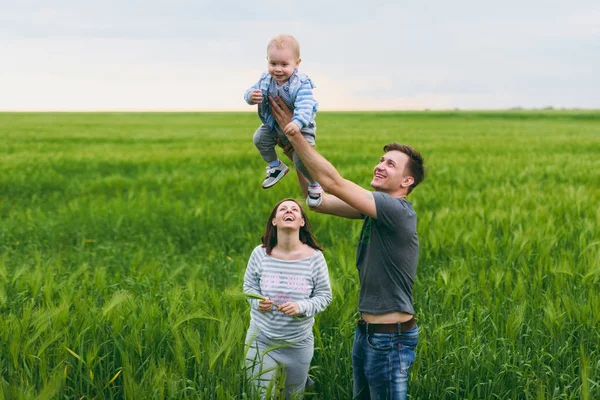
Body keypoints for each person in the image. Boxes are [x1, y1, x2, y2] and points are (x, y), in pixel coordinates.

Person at [269, 97, 426, 399]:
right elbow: (317, 200)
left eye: (390, 164)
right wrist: (294, 156)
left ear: (407, 180)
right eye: (381, 160)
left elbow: (333, 182)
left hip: (391, 340)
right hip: (367, 335)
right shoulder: (374, 210)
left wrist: (295, 134)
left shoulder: (396, 210)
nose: (380, 166)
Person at [244, 198, 332, 398]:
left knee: (293, 396)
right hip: (261, 340)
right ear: (274, 221)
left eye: (294, 209)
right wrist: (257, 302)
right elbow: (248, 287)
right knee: (262, 396)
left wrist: (301, 307)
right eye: (282, 209)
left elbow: (325, 296)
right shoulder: (260, 254)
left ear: (302, 222)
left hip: (298, 344)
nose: (288, 211)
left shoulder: (315, 257)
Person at [244, 34, 323, 207]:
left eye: (284, 64)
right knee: (259, 138)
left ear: (297, 63)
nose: (278, 69)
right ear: (267, 61)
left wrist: (296, 123)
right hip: (274, 124)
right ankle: (275, 166)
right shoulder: (266, 79)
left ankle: (314, 184)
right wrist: (251, 96)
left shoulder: (301, 83)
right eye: (273, 64)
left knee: (302, 161)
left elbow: (305, 106)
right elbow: (249, 92)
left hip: (301, 128)